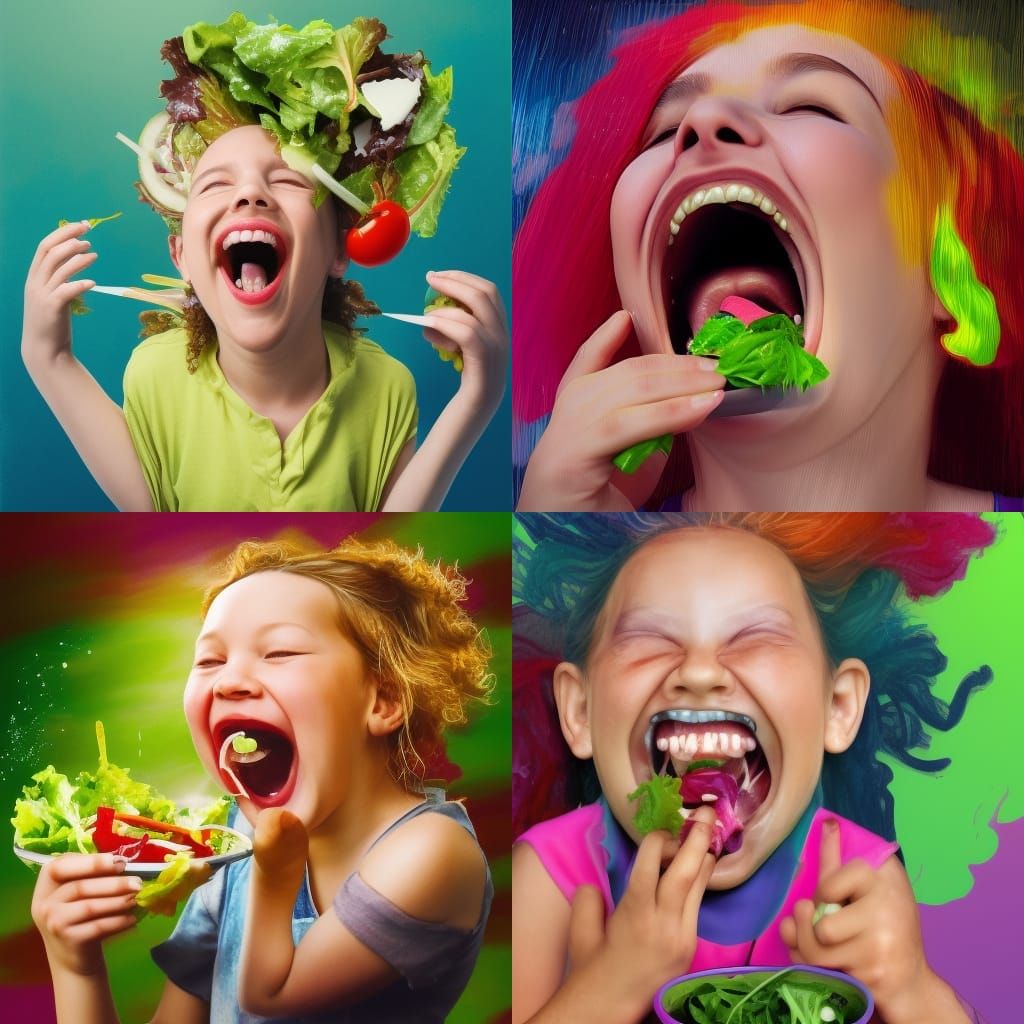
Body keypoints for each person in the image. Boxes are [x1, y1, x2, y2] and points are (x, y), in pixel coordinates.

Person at [513, 0, 1024, 511]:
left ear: (954, 262)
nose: (704, 120)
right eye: (665, 130)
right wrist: (563, 539)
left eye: (810, 106)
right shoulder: (580, 551)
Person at [512, 512, 996, 1023]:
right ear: (580, 712)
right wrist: (609, 989)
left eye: (754, 638)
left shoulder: (862, 876)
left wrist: (912, 986)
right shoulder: (550, 875)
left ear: (838, 707)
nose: (699, 671)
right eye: (652, 640)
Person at [22, 13, 508, 511]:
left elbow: (394, 545)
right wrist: (48, 355)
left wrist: (478, 398)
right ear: (183, 256)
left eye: (288, 180)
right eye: (215, 184)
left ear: (340, 248)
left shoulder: (387, 388)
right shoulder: (153, 374)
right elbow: (146, 515)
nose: (251, 193)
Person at [30, 535, 494, 1022]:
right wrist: (75, 965)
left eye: (279, 652)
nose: (229, 680)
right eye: (210, 660)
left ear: (384, 700)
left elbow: (267, 998)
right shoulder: (235, 842)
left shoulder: (433, 851)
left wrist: (273, 872)